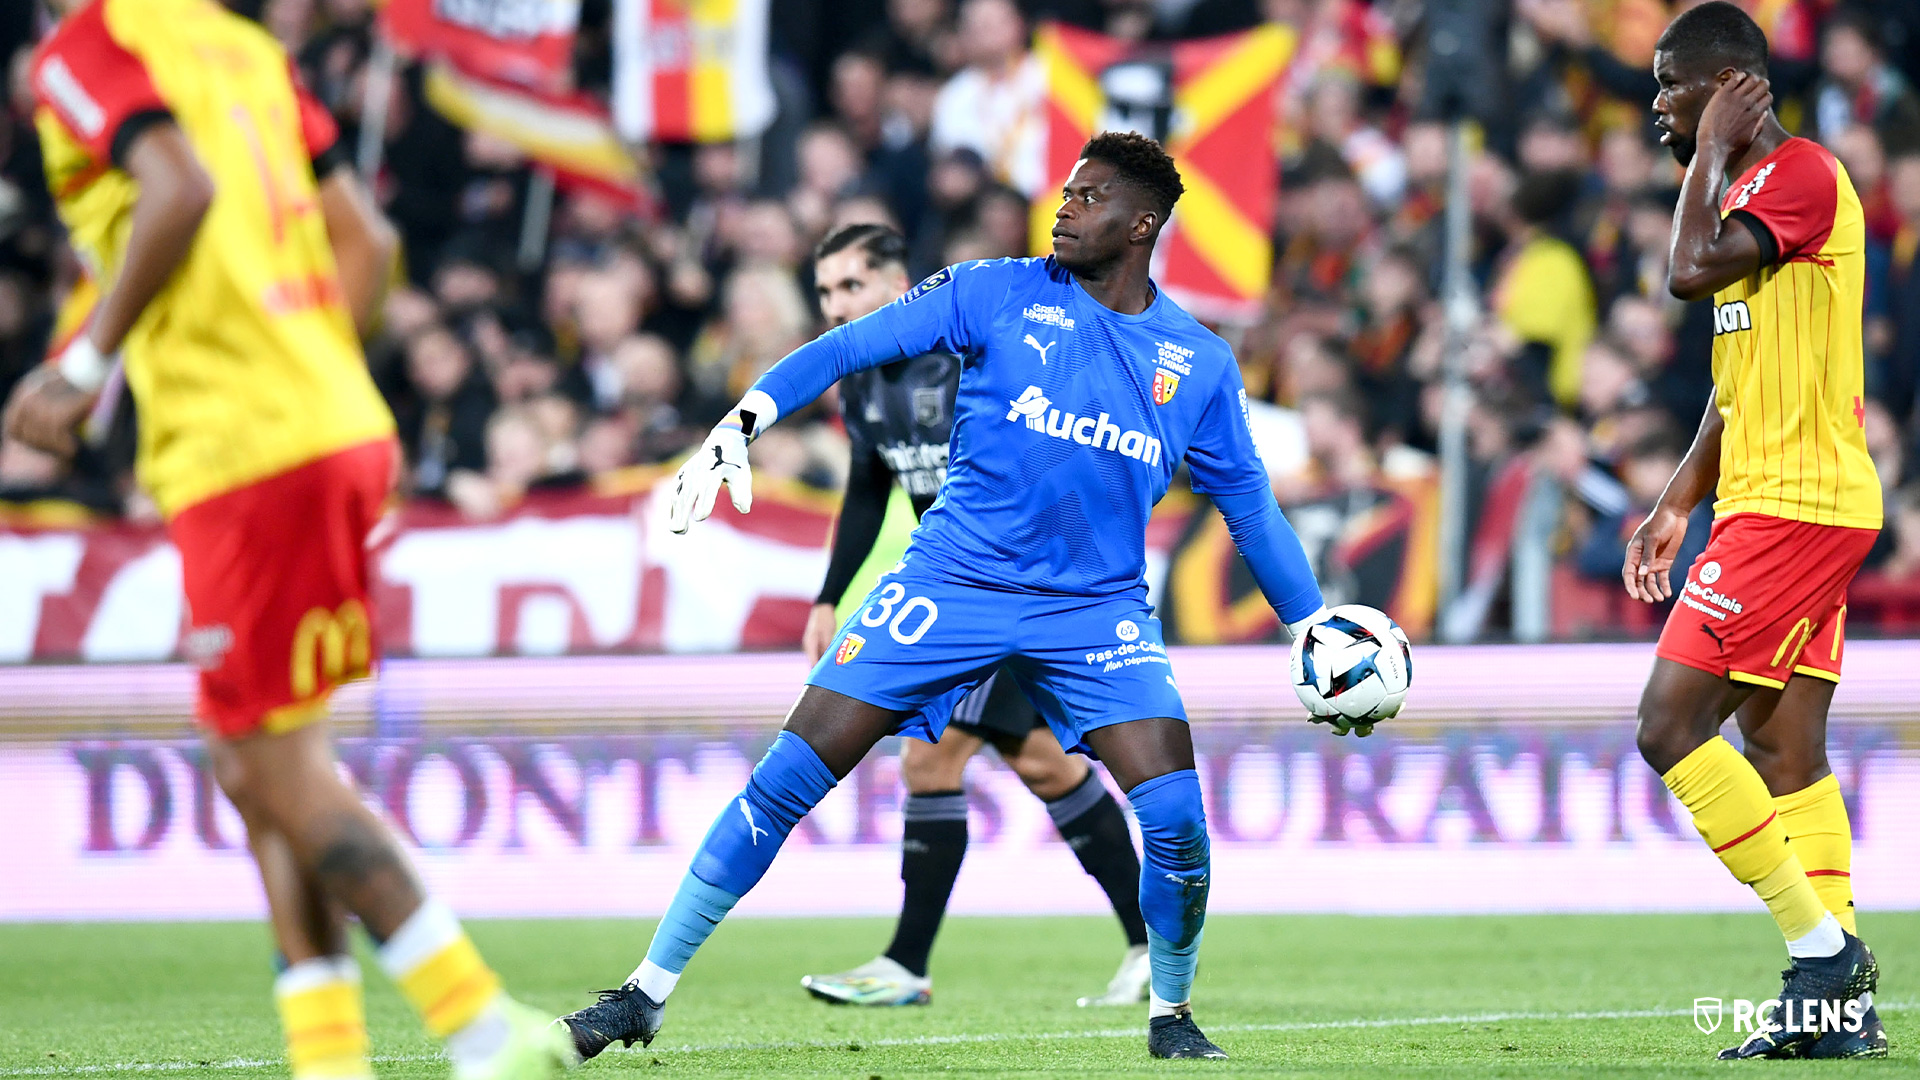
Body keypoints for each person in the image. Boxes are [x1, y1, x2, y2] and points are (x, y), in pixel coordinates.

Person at [556, 131, 1334, 1062]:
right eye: (1067, 192)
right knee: (788, 779)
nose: (1065, 208)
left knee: (1176, 823)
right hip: (949, 585)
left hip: (1096, 614)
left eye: (1089, 199)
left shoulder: (1197, 364)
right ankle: (645, 992)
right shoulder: (992, 290)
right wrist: (744, 420)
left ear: (1143, 224)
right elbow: (847, 347)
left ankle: (1170, 1012)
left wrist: (1313, 622)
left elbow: (1249, 506)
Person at [2, 3, 573, 1078]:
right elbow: (370, 238)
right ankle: (328, 1057)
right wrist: (322, 380)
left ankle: (485, 1027)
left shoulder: (86, 49)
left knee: (271, 767)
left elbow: (179, 186)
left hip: (245, 448)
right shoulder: (248, 49)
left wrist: (82, 367)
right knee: (263, 758)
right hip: (327, 424)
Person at [795, 223, 1152, 1009]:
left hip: (1017, 588)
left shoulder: (966, 356)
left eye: (850, 287)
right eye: (823, 291)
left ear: (897, 287)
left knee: (933, 760)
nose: (834, 305)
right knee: (1044, 765)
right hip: (964, 595)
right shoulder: (862, 378)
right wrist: (830, 595)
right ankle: (1151, 943)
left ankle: (906, 966)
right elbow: (868, 487)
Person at [1626, 2, 1886, 1060]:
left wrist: (1717, 150)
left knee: (1667, 726)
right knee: (1783, 748)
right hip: (1774, 497)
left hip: (1798, 504)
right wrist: (1681, 499)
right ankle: (1839, 1018)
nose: (1657, 106)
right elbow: (1735, 391)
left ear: (1730, 84)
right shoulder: (1753, 193)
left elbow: (1684, 272)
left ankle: (1821, 956)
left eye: (1670, 86)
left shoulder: (1802, 176)